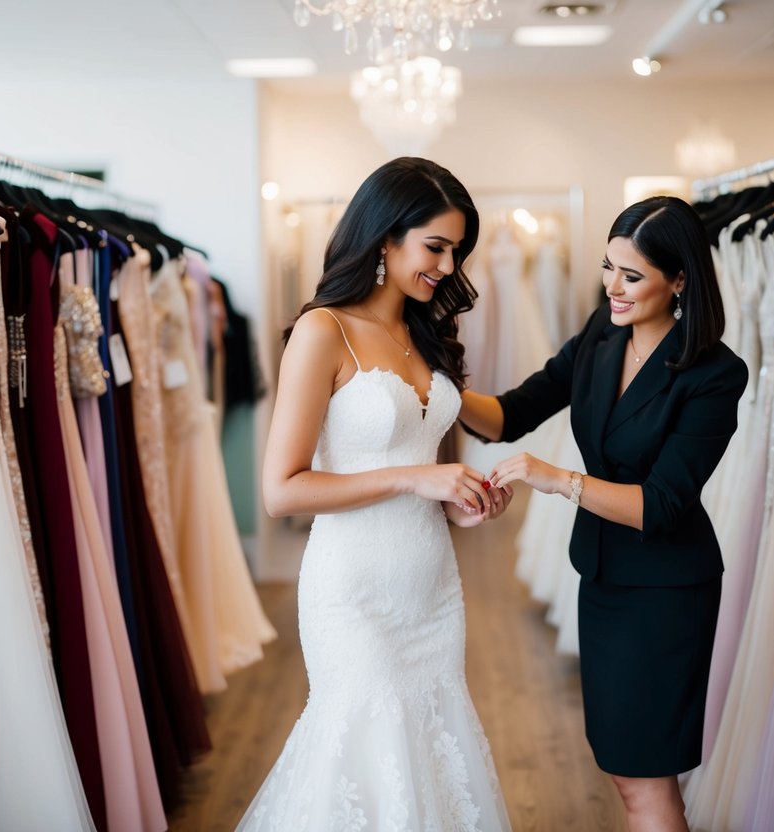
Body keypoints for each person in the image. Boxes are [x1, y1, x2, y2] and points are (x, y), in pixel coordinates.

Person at [237, 157, 514, 831]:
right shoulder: (322, 330)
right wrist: (414, 478)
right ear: (385, 238)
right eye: (436, 247)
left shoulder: (423, 331)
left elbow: (427, 454)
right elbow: (281, 489)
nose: (448, 268)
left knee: (428, 749)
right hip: (352, 589)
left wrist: (459, 499)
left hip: (430, 584)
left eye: (456, 252)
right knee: (362, 743)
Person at [459, 196, 747, 832]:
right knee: (624, 772)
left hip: (667, 591)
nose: (612, 287)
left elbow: (663, 504)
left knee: (646, 780)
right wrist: (432, 389)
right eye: (608, 268)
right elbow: (512, 412)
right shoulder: (602, 332)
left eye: (632, 275)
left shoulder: (715, 375)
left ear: (679, 281)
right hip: (605, 579)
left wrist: (556, 477)